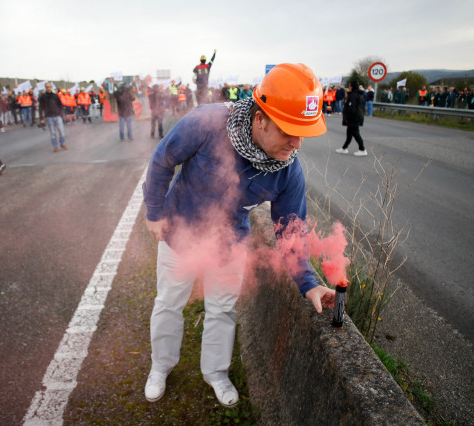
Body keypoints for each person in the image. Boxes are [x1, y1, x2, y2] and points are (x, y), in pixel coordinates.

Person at [142, 63, 335, 408]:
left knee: (223, 309)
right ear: (260, 118)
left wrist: (309, 283)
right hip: (180, 230)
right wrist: (155, 212)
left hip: (230, 242)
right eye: (288, 130)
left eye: (302, 132)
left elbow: (291, 232)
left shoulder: (289, 169)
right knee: (169, 302)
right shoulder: (207, 122)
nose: (296, 143)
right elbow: (161, 160)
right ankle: (161, 366)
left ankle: (215, 372)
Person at [335, 80, 367, 156]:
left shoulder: (353, 95)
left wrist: (347, 117)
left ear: (351, 87)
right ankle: (344, 148)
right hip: (358, 116)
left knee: (355, 133)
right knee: (349, 133)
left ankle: (362, 149)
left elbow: (351, 108)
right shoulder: (360, 95)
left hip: (354, 117)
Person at [39, 82, 67, 152]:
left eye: (49, 87)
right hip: (49, 117)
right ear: (45, 88)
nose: (48, 88)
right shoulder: (43, 97)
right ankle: (55, 146)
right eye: (47, 87)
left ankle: (62, 143)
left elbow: (60, 105)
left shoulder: (55, 96)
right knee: (53, 133)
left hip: (57, 116)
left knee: (61, 132)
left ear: (51, 87)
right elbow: (40, 108)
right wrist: (41, 118)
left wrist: (61, 114)